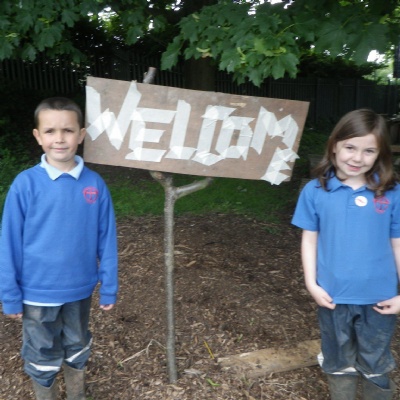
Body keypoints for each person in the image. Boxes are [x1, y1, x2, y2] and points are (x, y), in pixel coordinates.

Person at [0, 97, 118, 400]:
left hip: (79, 288)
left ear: (81, 135)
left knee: (77, 343)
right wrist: (10, 294)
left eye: (68, 130)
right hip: (36, 291)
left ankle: (77, 393)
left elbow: (106, 238)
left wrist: (109, 285)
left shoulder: (94, 184)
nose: (60, 138)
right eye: (50, 131)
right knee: (42, 352)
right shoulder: (25, 184)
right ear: (38, 136)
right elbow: (9, 241)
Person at [292, 109, 400, 400]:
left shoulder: (391, 193)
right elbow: (309, 241)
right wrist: (312, 284)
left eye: (369, 151)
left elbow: (398, 244)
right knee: (337, 359)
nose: (357, 158)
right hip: (332, 296)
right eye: (350, 147)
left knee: (376, 360)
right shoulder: (315, 191)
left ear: (379, 155)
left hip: (380, 298)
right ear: (334, 146)